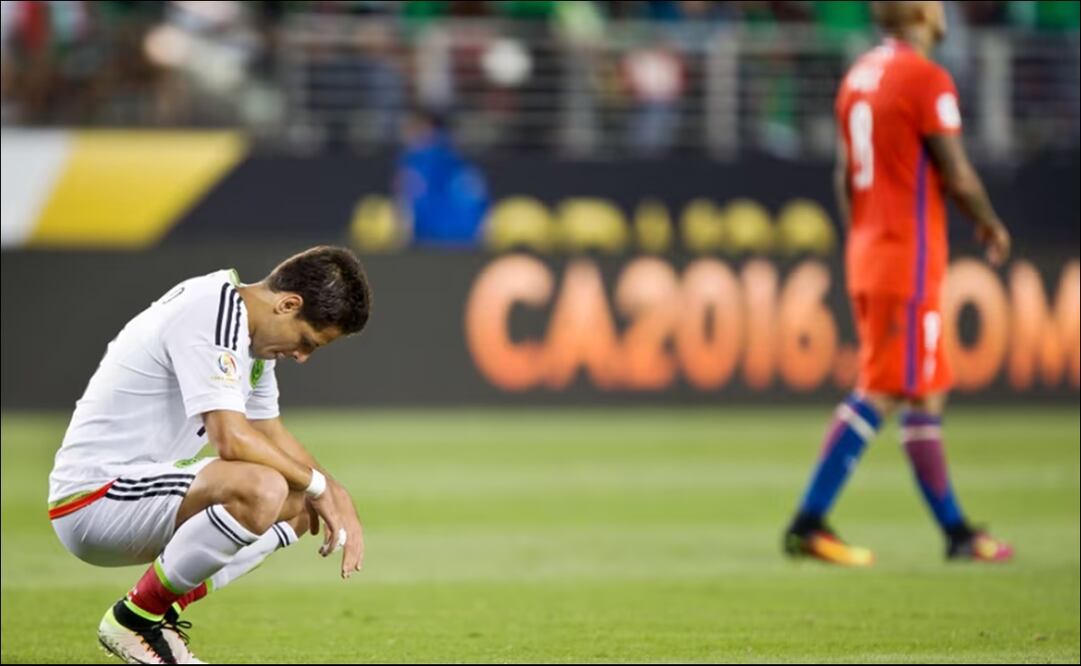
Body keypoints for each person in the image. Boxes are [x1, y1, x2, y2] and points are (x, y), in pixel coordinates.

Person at [47, 246, 373, 663]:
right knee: (263, 486)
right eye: (306, 341)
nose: (302, 357)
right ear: (288, 304)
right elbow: (231, 440)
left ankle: (155, 620)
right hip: (94, 498)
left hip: (138, 495)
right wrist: (319, 484)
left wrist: (334, 492)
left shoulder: (248, 338)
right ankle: (134, 620)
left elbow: (268, 432)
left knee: (301, 502)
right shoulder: (212, 312)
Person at [782, 1, 1014, 566]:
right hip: (905, 257)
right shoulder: (925, 79)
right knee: (883, 388)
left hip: (871, 249)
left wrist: (863, 237)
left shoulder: (857, 77)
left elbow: (844, 174)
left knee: (925, 388)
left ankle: (957, 533)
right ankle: (809, 521)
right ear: (919, 11)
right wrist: (989, 222)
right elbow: (958, 175)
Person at [396, 107, 490, 248]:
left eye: (409, 127)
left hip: (426, 244)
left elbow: (406, 209)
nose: (404, 134)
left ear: (427, 128)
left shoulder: (413, 163)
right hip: (468, 246)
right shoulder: (464, 160)